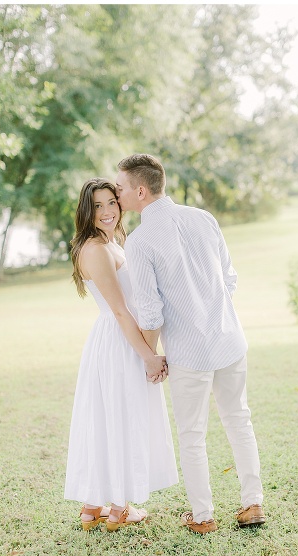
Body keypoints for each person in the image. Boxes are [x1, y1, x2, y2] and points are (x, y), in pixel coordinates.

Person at [115, 153, 265, 535]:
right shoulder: (202, 218)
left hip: (189, 353)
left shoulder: (141, 241)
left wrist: (150, 356)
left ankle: (203, 516)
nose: (117, 193)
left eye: (121, 187)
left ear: (142, 191)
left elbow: (150, 312)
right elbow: (230, 279)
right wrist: (212, 313)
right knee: (239, 420)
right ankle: (253, 503)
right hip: (230, 339)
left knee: (193, 434)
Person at [64, 177, 178, 531]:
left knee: (111, 417)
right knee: (118, 416)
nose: (107, 211)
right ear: (87, 211)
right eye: (97, 206)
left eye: (111, 202)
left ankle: (92, 507)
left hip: (119, 338)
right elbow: (120, 311)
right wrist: (148, 355)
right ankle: (118, 509)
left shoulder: (112, 243)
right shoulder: (96, 250)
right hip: (118, 342)